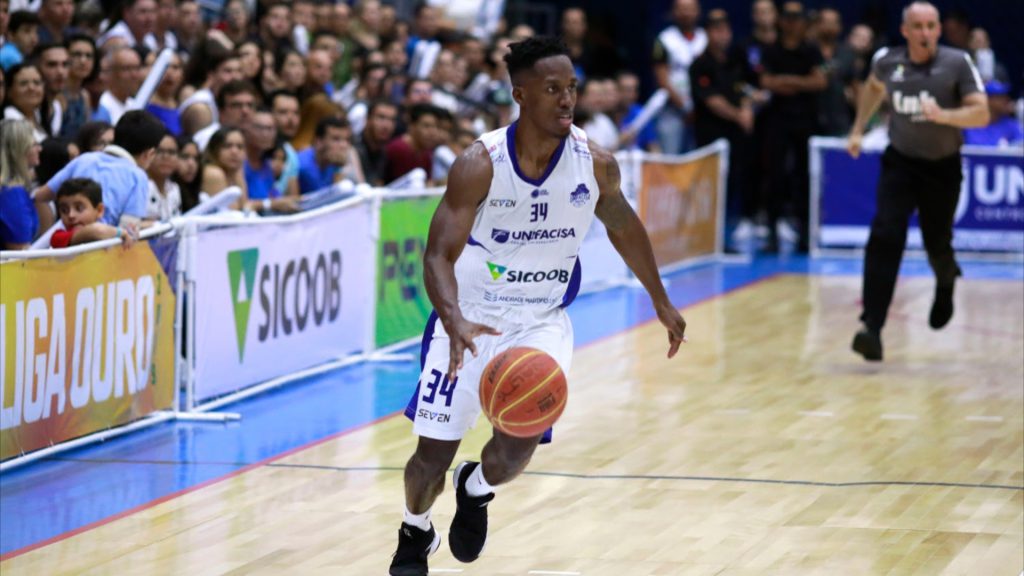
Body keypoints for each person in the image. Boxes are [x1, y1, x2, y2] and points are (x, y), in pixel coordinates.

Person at [388, 36, 688, 576]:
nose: (567, 99)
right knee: (430, 457)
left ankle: (475, 487)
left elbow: (621, 224)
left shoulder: (595, 164)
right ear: (520, 94)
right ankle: (416, 529)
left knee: (514, 452)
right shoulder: (480, 163)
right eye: (552, 89)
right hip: (471, 319)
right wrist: (453, 319)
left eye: (572, 87)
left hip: (540, 322)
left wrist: (660, 300)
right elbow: (437, 254)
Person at [847, 1, 988, 361]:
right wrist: (859, 128)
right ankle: (871, 328)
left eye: (931, 26)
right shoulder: (888, 61)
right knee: (884, 234)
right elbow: (874, 89)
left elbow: (981, 113)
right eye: (918, 26)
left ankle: (945, 281)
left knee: (936, 242)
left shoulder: (956, 63)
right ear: (905, 30)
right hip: (901, 163)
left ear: (939, 29)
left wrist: (944, 115)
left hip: (942, 168)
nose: (925, 33)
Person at [33, 110, 165, 230]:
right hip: (99, 251)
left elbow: (39, 196)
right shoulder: (138, 176)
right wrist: (152, 226)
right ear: (149, 153)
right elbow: (128, 230)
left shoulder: (84, 159)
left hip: (67, 243)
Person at [50, 177, 139, 248]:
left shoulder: (108, 230)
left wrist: (132, 232)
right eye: (64, 210)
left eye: (79, 208)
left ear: (99, 210)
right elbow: (97, 231)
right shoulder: (58, 237)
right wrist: (122, 233)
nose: (71, 215)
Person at [0, 119, 41, 249]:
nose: (40, 148)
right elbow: (20, 257)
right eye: (34, 144)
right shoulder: (12, 194)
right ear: (19, 150)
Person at [297, 116, 352, 194]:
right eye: (336, 139)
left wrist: (340, 168)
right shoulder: (302, 166)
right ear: (318, 142)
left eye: (347, 140)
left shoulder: (334, 162)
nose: (344, 145)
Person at [964, 80, 1023, 147]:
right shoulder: (970, 125)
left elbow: (1020, 145)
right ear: (988, 100)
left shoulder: (1011, 124)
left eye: (1005, 96)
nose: (1006, 100)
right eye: (1000, 97)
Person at [145, 131, 182, 220]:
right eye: (159, 151)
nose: (166, 156)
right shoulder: (140, 187)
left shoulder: (174, 188)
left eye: (171, 152)